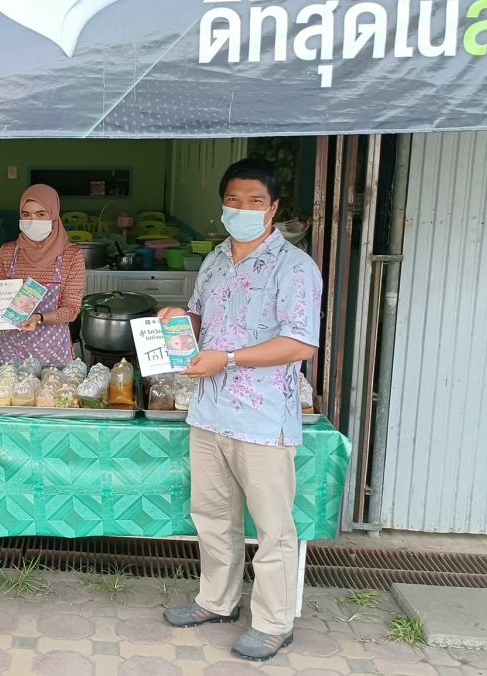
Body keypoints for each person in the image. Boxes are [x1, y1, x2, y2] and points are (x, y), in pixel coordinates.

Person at [158, 159, 323, 662]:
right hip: (209, 411)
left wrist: (227, 359)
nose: (243, 208)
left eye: (255, 200)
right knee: (212, 516)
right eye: (234, 199)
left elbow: (300, 344)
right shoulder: (214, 260)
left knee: (272, 527)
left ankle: (274, 623)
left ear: (273, 208)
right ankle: (217, 601)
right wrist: (178, 318)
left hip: (262, 416)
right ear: (223, 204)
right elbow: (202, 317)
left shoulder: (294, 267)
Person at [0, 184, 85, 364]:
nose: (33, 221)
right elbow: (2, 299)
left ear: (53, 215)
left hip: (52, 352)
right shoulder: (7, 252)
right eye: (26, 215)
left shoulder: (71, 255)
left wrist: (40, 318)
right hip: (11, 350)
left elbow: (72, 309)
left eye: (41, 214)